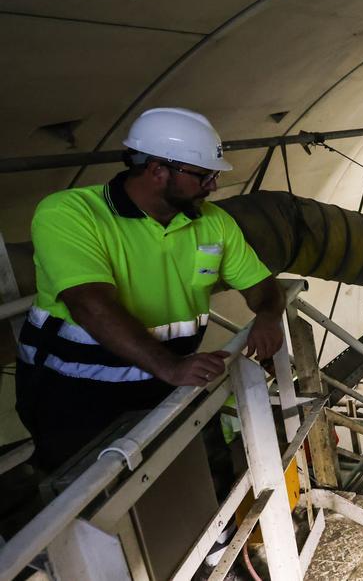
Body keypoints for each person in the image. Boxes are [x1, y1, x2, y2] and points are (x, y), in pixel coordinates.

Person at [16, 107, 285, 472]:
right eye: (204, 176)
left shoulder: (213, 223)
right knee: (85, 497)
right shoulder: (71, 213)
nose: (214, 187)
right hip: (73, 394)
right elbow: (89, 305)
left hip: (161, 387)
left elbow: (261, 286)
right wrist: (171, 366)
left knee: (176, 484)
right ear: (158, 170)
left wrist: (268, 317)